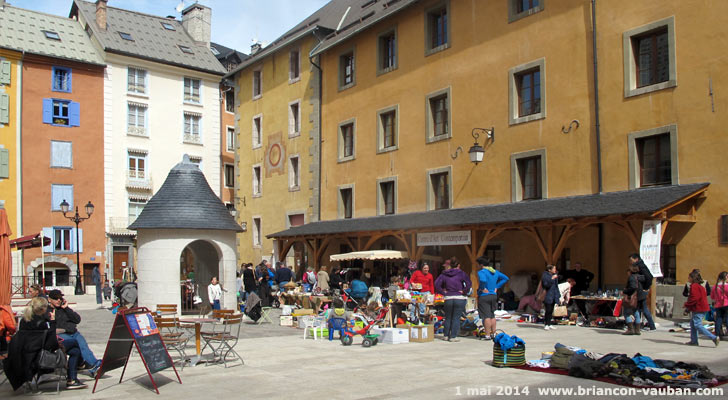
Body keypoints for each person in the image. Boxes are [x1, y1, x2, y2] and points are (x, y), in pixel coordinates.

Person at [47, 290, 102, 378]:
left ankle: (94, 365)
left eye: (60, 298)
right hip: (61, 334)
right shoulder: (48, 311)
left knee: (83, 346)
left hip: (73, 332)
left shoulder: (64, 309)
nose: (58, 300)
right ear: (49, 300)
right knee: (75, 346)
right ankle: (89, 365)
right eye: (55, 298)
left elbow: (77, 320)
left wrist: (67, 308)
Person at [434, 259, 472, 342]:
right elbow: (469, 283)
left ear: (450, 265)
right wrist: (464, 291)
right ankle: (453, 336)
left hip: (448, 297)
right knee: (456, 318)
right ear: (458, 265)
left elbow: (436, 284)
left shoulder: (444, 274)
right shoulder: (461, 273)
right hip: (459, 297)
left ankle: (446, 335)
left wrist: (443, 292)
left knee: (448, 317)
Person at [476, 257, 509, 340]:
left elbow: (483, 280)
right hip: (493, 295)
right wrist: (497, 286)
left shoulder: (482, 272)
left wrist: (481, 288)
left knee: (486, 316)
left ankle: (487, 335)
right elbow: (505, 278)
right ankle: (493, 333)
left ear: (481, 265)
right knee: (492, 315)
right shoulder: (494, 271)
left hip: (484, 295)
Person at [684, 270, 719, 347]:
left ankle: (714, 337)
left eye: (689, 277)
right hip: (700, 307)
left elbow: (694, 298)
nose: (688, 279)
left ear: (692, 278)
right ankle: (694, 341)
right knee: (693, 324)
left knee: (697, 325)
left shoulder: (694, 286)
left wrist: (687, 305)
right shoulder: (700, 286)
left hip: (699, 308)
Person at [629, 254, 657, 331]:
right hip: (641, 291)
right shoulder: (639, 268)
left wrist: (646, 287)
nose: (630, 262)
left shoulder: (640, 267)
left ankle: (638, 326)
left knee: (640, 309)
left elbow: (648, 277)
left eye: (631, 260)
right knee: (642, 309)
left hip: (639, 292)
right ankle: (646, 325)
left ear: (636, 259)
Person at [622, 265, 643, 336]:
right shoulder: (641, 276)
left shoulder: (632, 277)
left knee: (626, 312)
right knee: (636, 312)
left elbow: (633, 287)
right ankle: (637, 329)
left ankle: (630, 329)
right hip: (639, 297)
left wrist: (625, 291)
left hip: (632, 298)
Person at [541, 265, 560, 330]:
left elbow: (556, 286)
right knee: (548, 310)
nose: (555, 270)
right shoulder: (545, 276)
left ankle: (550, 323)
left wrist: (558, 295)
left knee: (551, 310)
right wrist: (551, 279)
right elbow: (545, 285)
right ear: (549, 270)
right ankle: (546, 324)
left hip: (554, 295)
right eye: (554, 268)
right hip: (548, 295)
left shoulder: (555, 275)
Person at [713, 271, 728, 339]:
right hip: (726, 304)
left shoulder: (715, 286)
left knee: (719, 319)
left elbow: (712, 296)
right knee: (727, 318)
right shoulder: (727, 286)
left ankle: (718, 335)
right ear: (725, 277)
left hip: (718, 305)